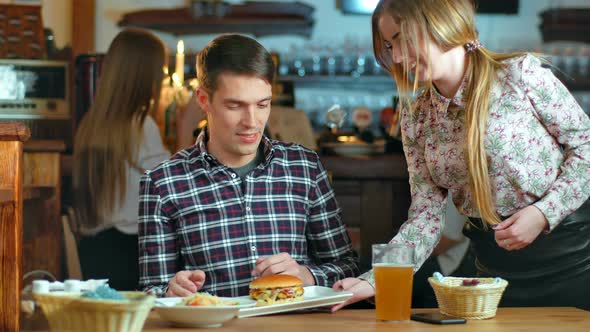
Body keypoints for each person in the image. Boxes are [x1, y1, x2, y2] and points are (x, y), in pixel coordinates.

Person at [333, 0, 590, 311]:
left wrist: (543, 213)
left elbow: (586, 147)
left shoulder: (519, 76)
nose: (397, 57)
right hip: (492, 274)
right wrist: (371, 279)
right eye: (389, 46)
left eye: (400, 38)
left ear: (439, 23)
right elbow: (424, 215)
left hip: (572, 263)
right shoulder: (416, 118)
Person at [138, 34, 359, 298]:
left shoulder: (305, 167)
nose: (252, 121)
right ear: (203, 100)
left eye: (262, 105)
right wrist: (170, 292)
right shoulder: (162, 183)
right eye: (235, 106)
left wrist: (307, 275)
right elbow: (151, 290)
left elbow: (348, 269)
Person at [73, 28, 200, 290]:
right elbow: (179, 182)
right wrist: (187, 123)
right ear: (146, 76)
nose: (163, 78)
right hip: (128, 255)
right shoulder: (139, 125)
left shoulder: (91, 123)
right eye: (161, 71)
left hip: (95, 251)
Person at [411, 195, 474, 308]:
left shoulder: (455, 189)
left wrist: (406, 255)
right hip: (432, 256)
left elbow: (449, 239)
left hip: (449, 266)